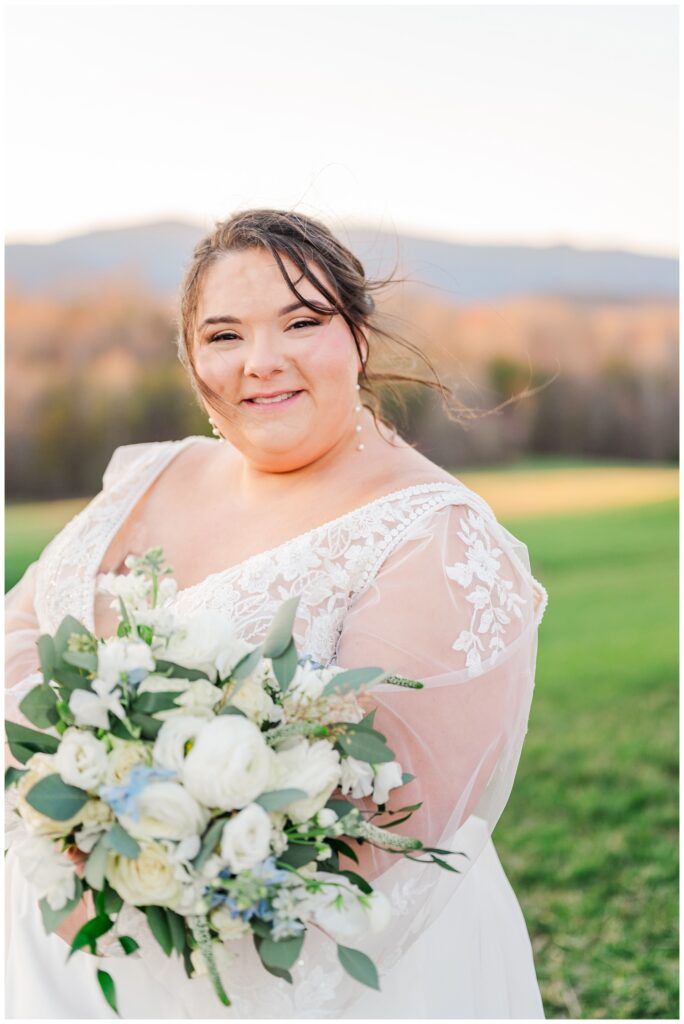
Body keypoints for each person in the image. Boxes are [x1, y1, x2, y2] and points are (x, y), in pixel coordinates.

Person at [5, 208, 548, 1019]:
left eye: (302, 321)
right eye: (223, 336)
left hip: (272, 973)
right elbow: (20, 633)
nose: (261, 362)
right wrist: (64, 807)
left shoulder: (435, 536)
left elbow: (381, 821)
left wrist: (138, 861)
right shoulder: (156, 473)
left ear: (358, 336)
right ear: (190, 358)